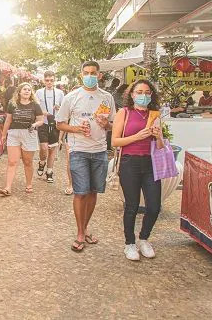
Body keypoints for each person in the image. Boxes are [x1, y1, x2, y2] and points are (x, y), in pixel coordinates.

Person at [56, 61, 116, 252]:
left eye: (93, 73)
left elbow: (114, 125)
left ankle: (86, 227)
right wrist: (76, 129)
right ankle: (80, 232)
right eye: (86, 72)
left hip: (99, 150)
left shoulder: (107, 98)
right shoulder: (71, 97)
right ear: (81, 75)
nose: (90, 75)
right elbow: (59, 124)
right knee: (80, 192)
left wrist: (106, 124)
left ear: (99, 75)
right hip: (78, 150)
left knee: (93, 192)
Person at [112, 79, 164, 261]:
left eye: (147, 92)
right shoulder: (124, 113)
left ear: (152, 95)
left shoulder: (154, 114)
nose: (143, 95)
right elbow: (115, 141)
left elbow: (160, 146)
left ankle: (144, 238)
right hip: (129, 163)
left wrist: (158, 137)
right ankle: (130, 243)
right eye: (139, 92)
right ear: (132, 95)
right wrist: (136, 136)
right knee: (132, 206)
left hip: (150, 164)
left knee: (154, 206)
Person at [0, 82, 46, 196]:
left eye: (29, 90)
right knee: (12, 161)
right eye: (24, 89)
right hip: (14, 133)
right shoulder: (12, 104)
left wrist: (34, 125)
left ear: (31, 93)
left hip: (29, 134)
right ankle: (7, 188)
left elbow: (41, 120)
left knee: (27, 162)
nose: (27, 91)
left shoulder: (35, 105)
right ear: (19, 91)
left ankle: (29, 184)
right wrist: (4, 135)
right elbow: (8, 120)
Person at [35, 70, 64, 183]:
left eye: (51, 80)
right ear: (44, 80)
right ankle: (42, 162)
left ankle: (49, 171)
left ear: (54, 80)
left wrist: (59, 108)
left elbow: (64, 109)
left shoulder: (60, 93)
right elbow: (35, 107)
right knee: (43, 148)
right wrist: (42, 111)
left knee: (52, 149)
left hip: (55, 124)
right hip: (43, 123)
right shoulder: (39, 92)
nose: (49, 82)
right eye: (47, 80)